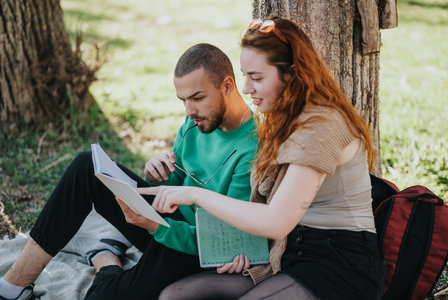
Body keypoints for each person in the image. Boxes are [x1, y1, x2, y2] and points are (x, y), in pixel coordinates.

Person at [144, 16, 386, 299]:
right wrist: (243, 249)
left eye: (256, 78)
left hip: (340, 261)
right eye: (245, 75)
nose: (246, 88)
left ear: (292, 73)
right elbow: (266, 213)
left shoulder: (322, 126)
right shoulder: (281, 118)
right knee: (175, 296)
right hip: (287, 250)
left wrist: (194, 195)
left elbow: (276, 220)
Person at [0, 43, 258, 300]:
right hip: (168, 222)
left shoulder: (252, 147)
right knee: (85, 165)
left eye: (197, 98)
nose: (189, 111)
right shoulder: (196, 122)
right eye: (183, 100)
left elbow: (226, 238)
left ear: (227, 86)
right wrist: (159, 176)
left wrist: (157, 229)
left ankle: (105, 258)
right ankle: (13, 287)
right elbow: (178, 181)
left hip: (198, 248)